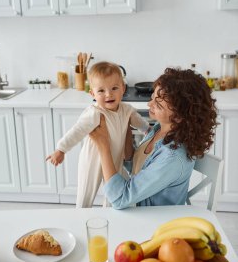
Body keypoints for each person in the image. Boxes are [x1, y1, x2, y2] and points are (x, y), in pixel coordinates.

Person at [89, 67, 218, 210]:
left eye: (158, 105)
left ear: (179, 117)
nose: (149, 104)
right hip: (138, 211)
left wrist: (103, 147)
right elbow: (137, 169)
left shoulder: (172, 157)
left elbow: (120, 199)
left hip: (157, 223)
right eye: (152, 97)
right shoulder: (159, 128)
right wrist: (125, 133)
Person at [46, 61, 150, 207]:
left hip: (115, 158)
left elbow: (140, 123)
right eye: (101, 91)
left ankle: (110, 216)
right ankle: (81, 213)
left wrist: (148, 130)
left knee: (113, 192)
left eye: (114, 88)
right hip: (92, 159)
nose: (108, 94)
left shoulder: (127, 110)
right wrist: (61, 149)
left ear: (123, 89)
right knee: (86, 191)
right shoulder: (94, 113)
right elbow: (77, 131)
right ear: (92, 93)